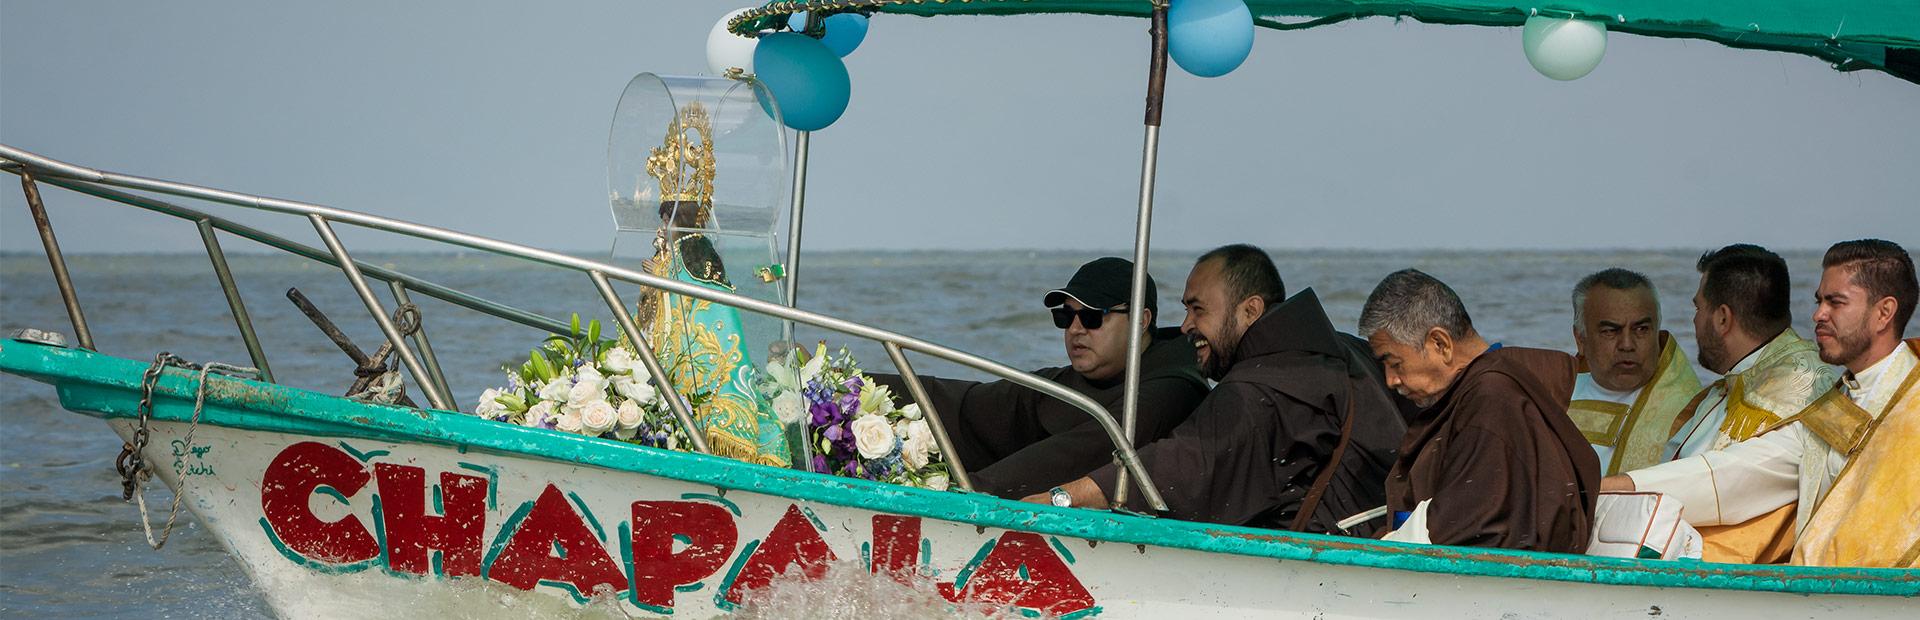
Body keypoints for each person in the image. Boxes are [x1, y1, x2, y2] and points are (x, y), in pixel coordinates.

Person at [1028, 245, 1406, 536]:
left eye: (1198, 310)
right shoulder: (1343, 349)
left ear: (1250, 310)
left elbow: (1190, 460)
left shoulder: (1264, 384)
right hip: (1387, 528)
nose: (1185, 326)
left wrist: (1063, 498)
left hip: (1330, 563)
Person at [1607, 239, 1918, 568]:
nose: (1817, 315)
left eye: (1835, 303)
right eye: (1818, 301)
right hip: (1826, 592)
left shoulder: (1912, 398)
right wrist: (1615, 488)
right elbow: (1740, 470)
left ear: (1884, 312)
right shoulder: (1835, 402)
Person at [869, 257, 1208, 499]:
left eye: (1091, 317)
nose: (1075, 329)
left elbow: (1082, 451)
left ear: (1141, 320)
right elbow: (968, 404)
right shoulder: (1069, 382)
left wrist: (971, 491)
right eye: (1065, 317)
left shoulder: (1173, 388)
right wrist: (853, 387)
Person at [1361, 269, 1598, 553]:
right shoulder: (1486, 388)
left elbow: (1465, 531)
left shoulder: (1492, 400)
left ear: (1440, 344)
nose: (1390, 380)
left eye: (1394, 363)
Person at [1664, 245, 1836, 461]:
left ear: (1723, 318)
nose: (1695, 320)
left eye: (1699, 309)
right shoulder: (1733, 383)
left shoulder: (1782, 405)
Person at [1566, 268, 1701, 475]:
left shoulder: (1691, 411)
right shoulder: (1552, 397)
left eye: (1641, 329)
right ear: (1580, 339)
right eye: (1610, 331)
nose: (1627, 345)